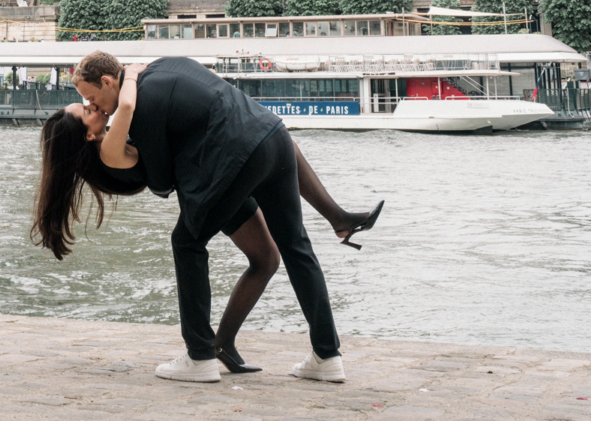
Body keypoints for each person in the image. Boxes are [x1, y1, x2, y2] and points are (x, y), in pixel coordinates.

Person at [37, 52, 381, 386]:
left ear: (109, 81)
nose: (92, 105)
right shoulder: (153, 81)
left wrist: (134, 79)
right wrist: (136, 73)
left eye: (90, 99)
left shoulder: (135, 110)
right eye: (86, 107)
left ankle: (200, 355)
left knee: (186, 242)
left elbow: (160, 181)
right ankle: (326, 355)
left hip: (226, 168)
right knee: (291, 247)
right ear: (86, 133)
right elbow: (142, 115)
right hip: (271, 135)